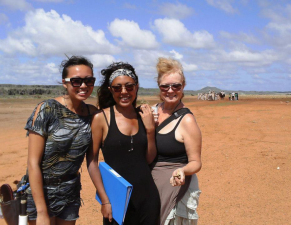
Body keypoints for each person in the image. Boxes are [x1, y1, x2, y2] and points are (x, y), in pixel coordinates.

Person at [25, 56, 97, 225]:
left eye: (89, 80)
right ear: (65, 83)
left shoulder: (93, 114)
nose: (84, 86)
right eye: (76, 81)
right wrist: (41, 211)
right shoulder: (47, 109)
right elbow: (33, 163)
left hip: (70, 192)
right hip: (41, 192)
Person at [86, 62, 160, 225]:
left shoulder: (143, 116)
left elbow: (148, 159)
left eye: (129, 86)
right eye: (117, 88)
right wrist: (105, 200)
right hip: (117, 201)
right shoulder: (101, 118)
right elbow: (91, 161)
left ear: (137, 87)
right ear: (111, 90)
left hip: (147, 198)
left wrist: (149, 130)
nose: (124, 92)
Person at [151, 57, 202, 225]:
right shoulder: (151, 112)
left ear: (183, 86)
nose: (170, 90)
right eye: (165, 86)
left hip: (175, 188)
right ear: (159, 86)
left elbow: (195, 162)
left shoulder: (186, 120)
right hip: (151, 186)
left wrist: (182, 171)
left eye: (176, 86)